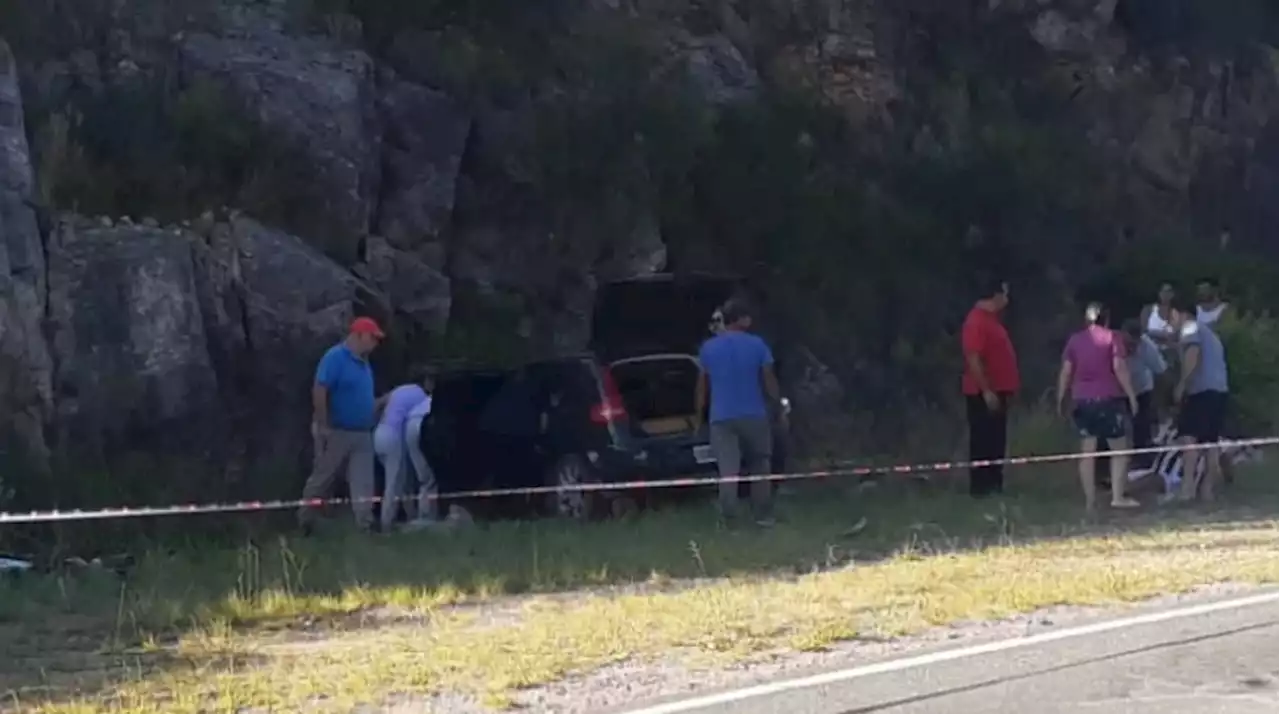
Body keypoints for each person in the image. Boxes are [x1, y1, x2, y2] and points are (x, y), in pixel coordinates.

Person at [695, 300, 786, 527]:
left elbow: (702, 387)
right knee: (760, 464)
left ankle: (730, 519)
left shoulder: (708, 348)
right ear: (741, 320)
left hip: (721, 417)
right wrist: (778, 405)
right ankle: (763, 515)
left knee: (728, 469)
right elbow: (768, 380)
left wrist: (699, 417)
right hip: (754, 414)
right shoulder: (757, 345)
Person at [298, 316, 384, 534]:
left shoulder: (365, 365)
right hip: (337, 430)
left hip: (363, 432)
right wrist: (323, 424)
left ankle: (365, 524)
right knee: (323, 476)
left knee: (363, 480)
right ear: (359, 335)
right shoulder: (335, 357)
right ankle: (305, 520)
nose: (375, 343)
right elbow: (320, 389)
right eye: (372, 338)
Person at [1057, 303, 1141, 511]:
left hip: (1082, 400)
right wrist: (1131, 395)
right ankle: (1118, 496)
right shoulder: (1113, 338)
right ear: (1107, 319)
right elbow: (1119, 367)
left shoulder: (1075, 340)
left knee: (1087, 452)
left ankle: (1090, 501)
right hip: (1108, 399)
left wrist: (1060, 398)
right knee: (1119, 449)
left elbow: (1066, 371)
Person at [960, 279, 1019, 498]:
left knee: (996, 440)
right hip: (983, 394)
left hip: (998, 391)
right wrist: (986, 390)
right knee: (983, 440)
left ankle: (995, 484)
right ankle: (981, 488)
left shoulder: (992, 321)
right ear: (995, 295)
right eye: (1004, 292)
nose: (1007, 297)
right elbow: (973, 358)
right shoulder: (976, 321)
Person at [1171, 302, 1230, 502]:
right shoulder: (1210, 333)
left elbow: (1192, 355)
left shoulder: (1190, 327)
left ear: (1179, 313)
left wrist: (1182, 384)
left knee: (1188, 438)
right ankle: (1207, 491)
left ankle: (1187, 490)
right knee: (1210, 442)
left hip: (1201, 392)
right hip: (1219, 391)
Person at [372, 372, 432, 531]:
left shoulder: (398, 391)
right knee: (394, 483)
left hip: (379, 434)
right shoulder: (420, 396)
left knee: (402, 481)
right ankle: (386, 524)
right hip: (394, 437)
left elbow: (377, 405)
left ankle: (410, 517)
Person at [1120, 318, 1168, 474]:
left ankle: (1142, 462)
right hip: (1117, 389)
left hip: (1142, 389)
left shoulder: (1148, 348)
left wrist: (1162, 403)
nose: (1130, 348)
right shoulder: (1111, 343)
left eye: (1133, 344)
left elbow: (1161, 371)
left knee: (1141, 425)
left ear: (1139, 340)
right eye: (1127, 343)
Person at [404, 371, 439, 523]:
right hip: (424, 423)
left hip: (410, 423)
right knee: (430, 477)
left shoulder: (419, 400)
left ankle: (422, 514)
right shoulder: (433, 401)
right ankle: (428, 515)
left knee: (422, 476)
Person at [1139, 282, 1179, 349]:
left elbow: (1177, 336)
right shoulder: (1148, 310)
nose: (1165, 294)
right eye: (1163, 291)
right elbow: (1143, 332)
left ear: (1173, 294)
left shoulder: (1177, 313)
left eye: (1169, 291)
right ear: (1159, 293)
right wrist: (1162, 335)